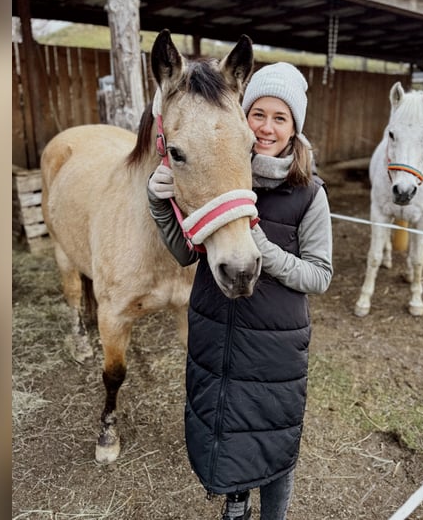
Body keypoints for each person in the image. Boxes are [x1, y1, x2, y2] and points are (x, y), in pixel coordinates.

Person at [147, 62, 333, 520]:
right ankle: (236, 503)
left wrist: (264, 249)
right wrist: (159, 203)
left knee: (272, 435)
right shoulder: (219, 170)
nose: (267, 127)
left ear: (294, 127)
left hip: (274, 344)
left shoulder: (309, 194)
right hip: (219, 331)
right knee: (227, 429)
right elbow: (189, 254)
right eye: (258, 114)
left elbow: (320, 276)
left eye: (280, 118)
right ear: (241, 116)